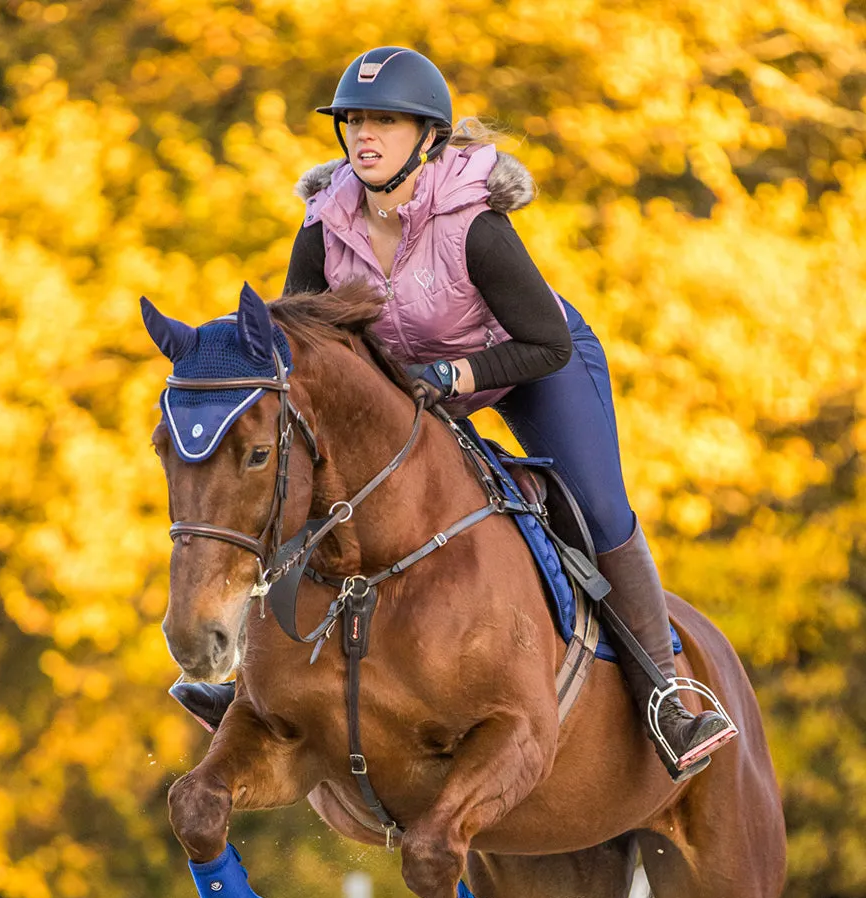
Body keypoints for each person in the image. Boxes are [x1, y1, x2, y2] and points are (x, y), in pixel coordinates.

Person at [178, 45, 736, 780]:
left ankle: (665, 692)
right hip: (414, 383)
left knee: (596, 508)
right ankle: (257, 681)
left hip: (529, 364)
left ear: (429, 138)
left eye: (385, 122)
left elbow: (542, 342)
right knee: (302, 485)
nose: (363, 137)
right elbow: (301, 345)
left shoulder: (476, 226)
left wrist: (455, 372)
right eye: (353, 122)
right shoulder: (324, 224)